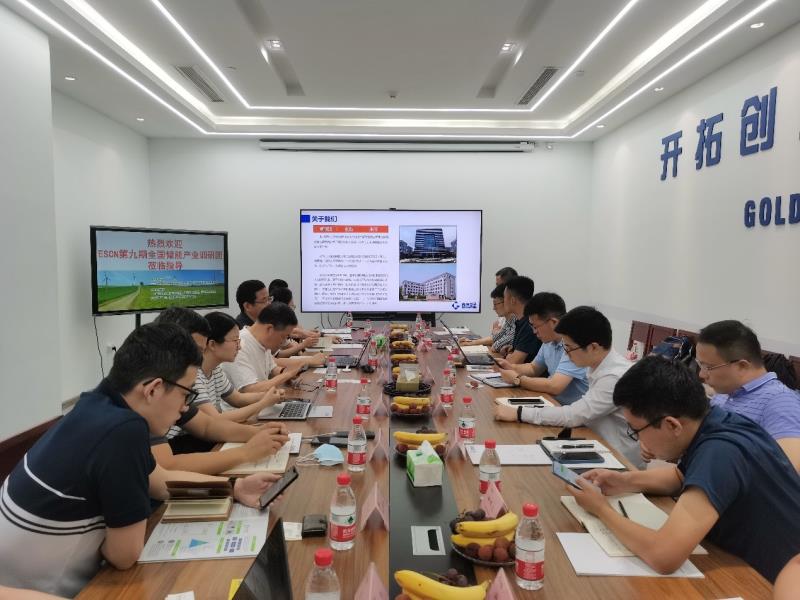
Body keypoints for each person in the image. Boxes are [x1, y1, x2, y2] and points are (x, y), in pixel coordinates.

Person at [0, 323, 285, 597]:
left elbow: (160, 481)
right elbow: (123, 556)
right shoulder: (123, 431)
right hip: (40, 589)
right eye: (186, 394)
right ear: (153, 389)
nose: (184, 408)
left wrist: (234, 488)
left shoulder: (97, 403)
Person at [567, 356, 800, 583]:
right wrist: (624, 480)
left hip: (770, 581)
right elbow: (680, 476)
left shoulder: (720, 452)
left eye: (636, 430)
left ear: (672, 424)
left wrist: (601, 509)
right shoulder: (714, 421)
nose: (638, 439)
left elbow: (663, 555)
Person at [493, 306, 641, 467]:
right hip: (594, 444)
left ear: (593, 347)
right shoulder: (597, 365)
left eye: (569, 348)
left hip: (618, 460)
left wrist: (519, 413)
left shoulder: (614, 377)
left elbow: (573, 415)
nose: (566, 353)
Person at [153, 308, 290, 474]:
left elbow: (207, 425)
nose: (199, 358)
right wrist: (246, 453)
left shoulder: (178, 381)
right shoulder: (164, 389)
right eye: (196, 351)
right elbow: (168, 467)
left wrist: (261, 432)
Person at [696, 320, 800, 470]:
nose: (701, 374)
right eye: (700, 365)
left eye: (708, 367)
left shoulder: (780, 402)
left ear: (742, 366)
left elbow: (790, 470)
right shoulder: (725, 393)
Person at [493, 292, 589, 405]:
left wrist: (518, 379)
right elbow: (534, 368)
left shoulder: (573, 345)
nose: (534, 332)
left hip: (572, 410)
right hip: (552, 402)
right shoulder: (548, 341)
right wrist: (510, 367)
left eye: (536, 326)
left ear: (553, 322)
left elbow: (555, 386)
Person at [197, 311, 285, 419]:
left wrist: (268, 396)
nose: (239, 347)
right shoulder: (195, 376)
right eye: (235, 341)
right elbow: (214, 420)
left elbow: (237, 399)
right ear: (212, 344)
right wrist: (263, 403)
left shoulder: (215, 370)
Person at [225, 302, 307, 393]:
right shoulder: (239, 346)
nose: (283, 342)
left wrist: (285, 372)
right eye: (283, 336)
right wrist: (286, 375)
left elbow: (272, 369)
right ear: (270, 329)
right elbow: (249, 389)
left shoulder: (263, 342)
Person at [459, 284, 515, 353]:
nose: (493, 308)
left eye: (495, 304)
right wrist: (470, 342)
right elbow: (495, 338)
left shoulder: (516, 321)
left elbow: (496, 346)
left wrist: (497, 343)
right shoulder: (509, 320)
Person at [500, 275, 541, 364]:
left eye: (504, 298)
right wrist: (512, 350)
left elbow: (513, 362)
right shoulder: (520, 321)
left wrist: (511, 356)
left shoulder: (529, 325)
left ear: (513, 300)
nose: (503, 302)